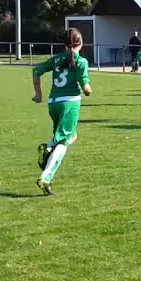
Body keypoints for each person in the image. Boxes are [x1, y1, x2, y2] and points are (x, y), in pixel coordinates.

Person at [31, 28, 92, 195]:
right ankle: (46, 176)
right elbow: (86, 87)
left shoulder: (57, 59)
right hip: (69, 103)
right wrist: (88, 90)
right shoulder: (81, 61)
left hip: (53, 103)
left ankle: (49, 148)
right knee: (64, 141)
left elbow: (36, 71)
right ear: (80, 43)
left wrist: (38, 95)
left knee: (72, 136)